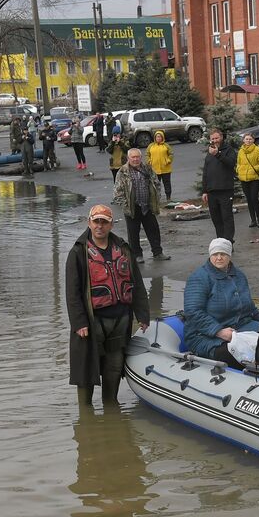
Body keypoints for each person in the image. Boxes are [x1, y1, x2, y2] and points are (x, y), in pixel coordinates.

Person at [65, 204, 149, 405]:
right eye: (96, 222)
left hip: (120, 319)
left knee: (114, 366)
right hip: (92, 322)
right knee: (86, 369)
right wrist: (79, 323)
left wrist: (143, 314)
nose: (100, 226)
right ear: (89, 223)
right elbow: (72, 292)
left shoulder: (123, 249)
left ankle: (111, 406)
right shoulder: (78, 252)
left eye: (104, 222)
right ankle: (86, 416)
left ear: (111, 224)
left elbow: (136, 283)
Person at [184, 238, 259, 368]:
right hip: (206, 336)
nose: (219, 258)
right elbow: (193, 312)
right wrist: (219, 331)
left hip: (240, 327)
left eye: (223, 254)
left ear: (229, 255)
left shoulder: (239, 276)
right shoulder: (199, 277)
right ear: (210, 255)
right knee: (236, 355)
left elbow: (250, 308)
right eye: (215, 254)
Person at [112, 147, 170, 262]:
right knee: (133, 233)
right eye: (133, 157)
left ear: (141, 157)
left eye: (137, 156)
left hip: (147, 206)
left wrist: (156, 199)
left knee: (153, 230)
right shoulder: (123, 171)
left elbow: (156, 184)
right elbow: (117, 192)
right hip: (132, 207)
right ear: (128, 158)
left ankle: (158, 252)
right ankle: (137, 255)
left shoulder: (147, 168)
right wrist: (126, 205)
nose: (135, 159)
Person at [200, 127, 237, 241]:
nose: (215, 140)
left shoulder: (228, 150)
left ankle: (228, 241)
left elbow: (231, 164)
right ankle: (221, 241)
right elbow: (206, 172)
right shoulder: (210, 152)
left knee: (227, 217)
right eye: (212, 138)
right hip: (212, 191)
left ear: (221, 137)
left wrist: (218, 154)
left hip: (225, 190)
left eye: (216, 138)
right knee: (216, 219)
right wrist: (204, 191)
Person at [236, 132, 259, 229]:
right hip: (244, 178)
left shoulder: (258, 150)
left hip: (254, 178)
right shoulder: (241, 151)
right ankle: (253, 220)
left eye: (250, 139)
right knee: (249, 199)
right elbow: (238, 163)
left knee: (254, 198)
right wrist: (238, 170)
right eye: (246, 139)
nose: (248, 141)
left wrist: (254, 169)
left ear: (253, 140)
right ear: (243, 140)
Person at [147, 129, 173, 198]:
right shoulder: (151, 146)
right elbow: (147, 154)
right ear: (155, 138)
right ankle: (157, 198)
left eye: (160, 137)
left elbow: (171, 154)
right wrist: (149, 161)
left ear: (162, 137)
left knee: (167, 183)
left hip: (166, 169)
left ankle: (168, 197)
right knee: (155, 184)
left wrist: (168, 160)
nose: (158, 138)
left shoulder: (166, 146)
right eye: (157, 137)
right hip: (155, 169)